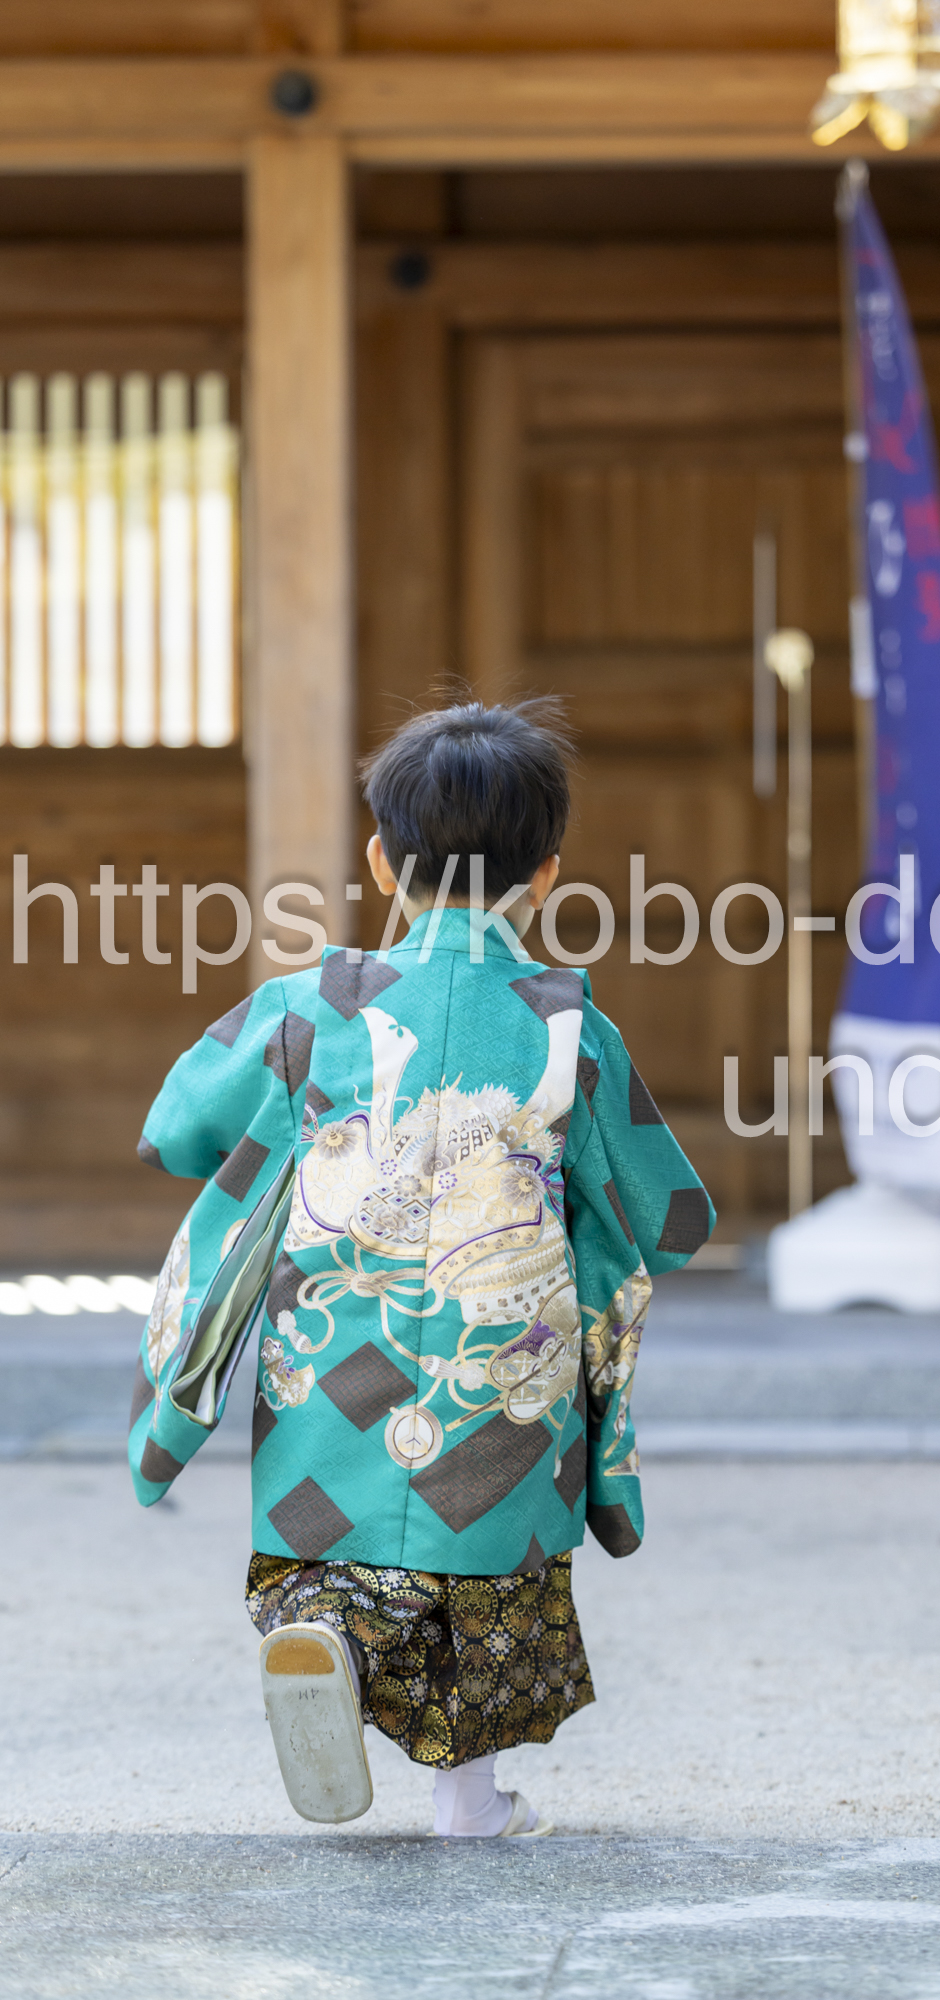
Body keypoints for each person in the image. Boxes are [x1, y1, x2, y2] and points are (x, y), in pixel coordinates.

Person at [128, 698, 714, 1836]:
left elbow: (176, 1127)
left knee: (330, 1541)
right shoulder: (567, 1026)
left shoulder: (309, 1008)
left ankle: (329, 1640)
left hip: (329, 1361)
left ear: (380, 862)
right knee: (489, 1567)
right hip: (501, 1373)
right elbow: (669, 1213)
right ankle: (470, 1799)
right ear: (545, 876)